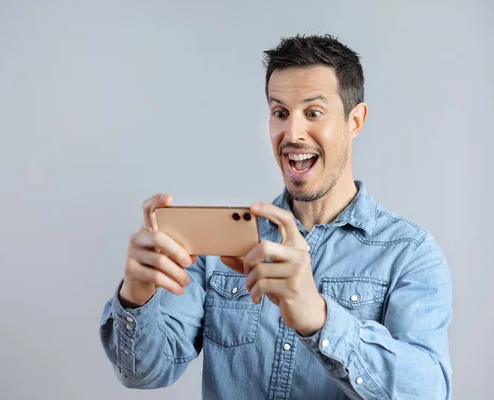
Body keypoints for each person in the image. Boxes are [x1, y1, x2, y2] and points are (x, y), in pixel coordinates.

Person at [99, 34, 453, 400]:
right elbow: (143, 373)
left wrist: (319, 318)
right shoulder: (223, 247)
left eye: (313, 113)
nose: (292, 133)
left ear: (355, 121)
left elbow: (428, 391)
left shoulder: (410, 254)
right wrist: (136, 296)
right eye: (280, 112)